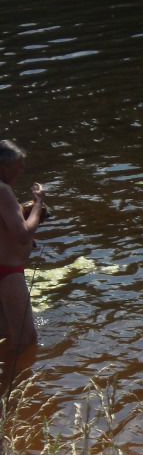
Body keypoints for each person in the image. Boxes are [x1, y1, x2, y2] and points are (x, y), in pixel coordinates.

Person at [0, 141, 47, 392]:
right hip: (7, 274)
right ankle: (14, 397)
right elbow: (20, 234)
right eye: (18, 167)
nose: (21, 172)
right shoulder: (3, 190)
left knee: (7, 336)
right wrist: (38, 204)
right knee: (26, 340)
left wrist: (24, 210)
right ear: (4, 166)